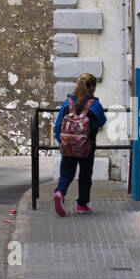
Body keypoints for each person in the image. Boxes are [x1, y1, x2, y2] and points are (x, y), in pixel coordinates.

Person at [52, 73, 106, 216]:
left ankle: (60, 192)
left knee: (67, 172)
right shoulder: (95, 105)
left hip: (68, 146)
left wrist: (62, 142)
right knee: (85, 175)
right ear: (92, 87)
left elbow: (58, 125)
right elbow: (102, 121)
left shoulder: (67, 103)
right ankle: (82, 205)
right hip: (87, 147)